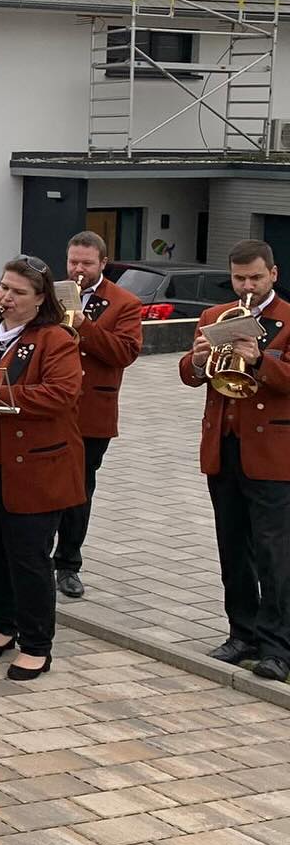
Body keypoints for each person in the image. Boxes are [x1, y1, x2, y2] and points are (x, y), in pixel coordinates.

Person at [0, 255, 83, 682]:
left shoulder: (55, 338)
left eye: (18, 292)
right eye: (4, 288)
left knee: (28, 557)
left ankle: (36, 643)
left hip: (33, 468)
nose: (6, 298)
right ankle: (2, 623)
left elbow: (61, 394)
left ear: (40, 298)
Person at [180, 240, 290, 680]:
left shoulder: (288, 319)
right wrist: (198, 359)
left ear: (273, 275)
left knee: (274, 553)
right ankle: (241, 632)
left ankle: (278, 646)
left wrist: (260, 359)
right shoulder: (214, 316)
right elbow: (189, 375)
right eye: (240, 278)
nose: (246, 286)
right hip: (224, 448)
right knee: (233, 548)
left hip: (273, 453)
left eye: (255, 278)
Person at [54, 231, 142, 599]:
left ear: (103, 264)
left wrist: (81, 325)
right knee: (38, 483)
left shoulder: (124, 303)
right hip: (51, 405)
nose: (78, 269)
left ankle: (68, 564)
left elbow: (125, 352)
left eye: (87, 263)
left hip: (92, 411)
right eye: (74, 261)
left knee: (78, 489)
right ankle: (22, 551)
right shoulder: (53, 293)